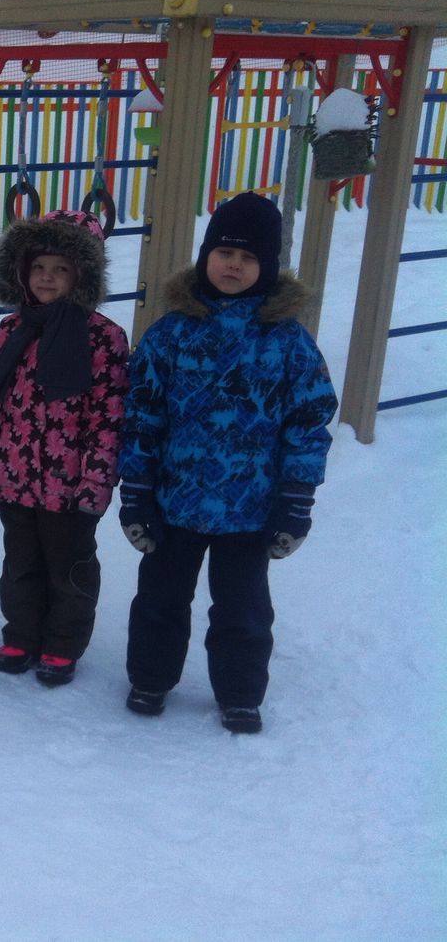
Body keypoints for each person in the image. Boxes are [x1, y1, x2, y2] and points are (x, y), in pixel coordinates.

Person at [117, 191, 338, 734]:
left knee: (242, 610)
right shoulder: (171, 333)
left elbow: (309, 422)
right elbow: (141, 412)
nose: (233, 265)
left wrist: (295, 503)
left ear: (267, 268)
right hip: (175, 501)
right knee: (160, 600)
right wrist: (137, 491)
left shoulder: (288, 343)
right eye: (223, 253)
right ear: (205, 257)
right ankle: (150, 677)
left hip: (251, 509)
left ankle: (240, 693)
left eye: (248, 258)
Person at [0, 210, 129, 687]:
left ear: (82, 276)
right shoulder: (10, 332)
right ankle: (21, 634)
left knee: (69, 569)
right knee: (19, 567)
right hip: (15, 480)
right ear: (21, 272)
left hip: (68, 487)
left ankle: (63, 643)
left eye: (61, 269)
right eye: (39, 267)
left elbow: (109, 417)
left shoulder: (102, 338)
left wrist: (95, 485)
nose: (47, 278)